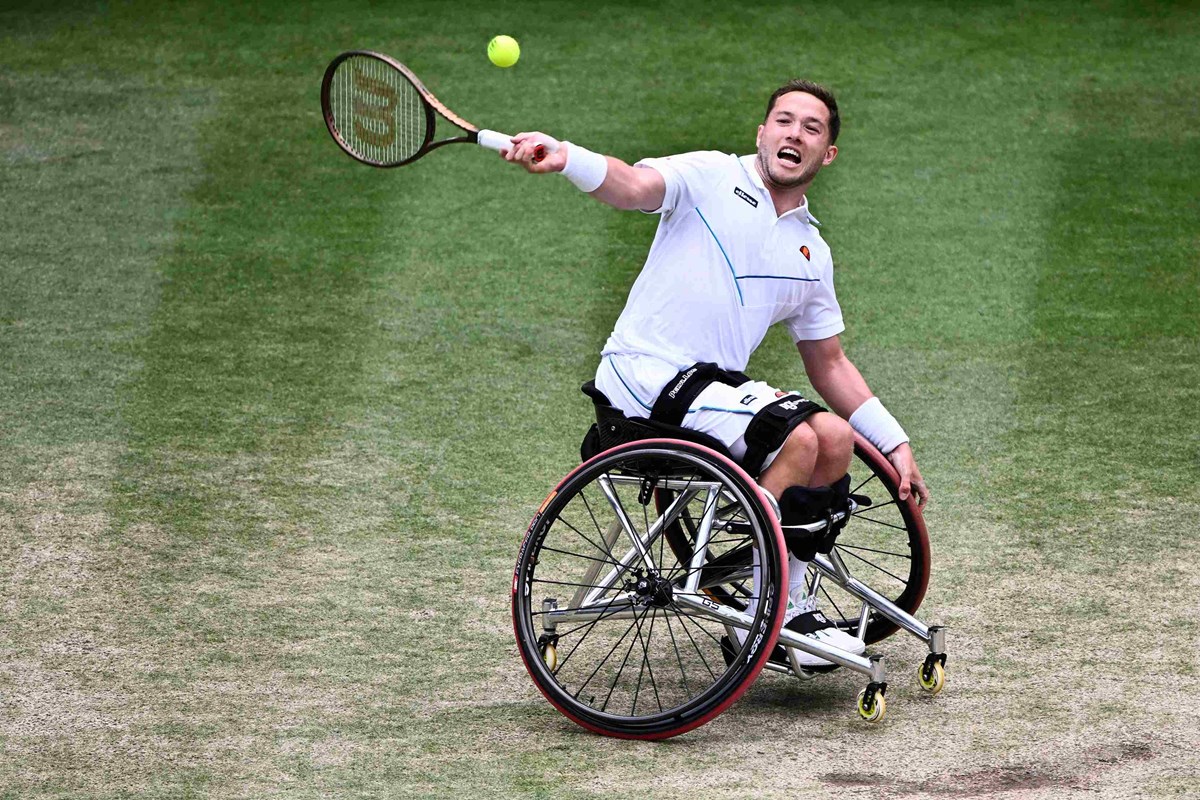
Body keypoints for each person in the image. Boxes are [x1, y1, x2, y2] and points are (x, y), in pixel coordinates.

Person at [499, 79, 929, 667]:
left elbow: (829, 362)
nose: (793, 133)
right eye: (783, 120)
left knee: (834, 437)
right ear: (762, 132)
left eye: (811, 128)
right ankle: (761, 599)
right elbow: (632, 185)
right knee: (797, 437)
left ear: (827, 154)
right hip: (641, 378)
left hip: (708, 389)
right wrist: (567, 155)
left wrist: (896, 442)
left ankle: (779, 599)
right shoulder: (709, 175)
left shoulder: (811, 252)